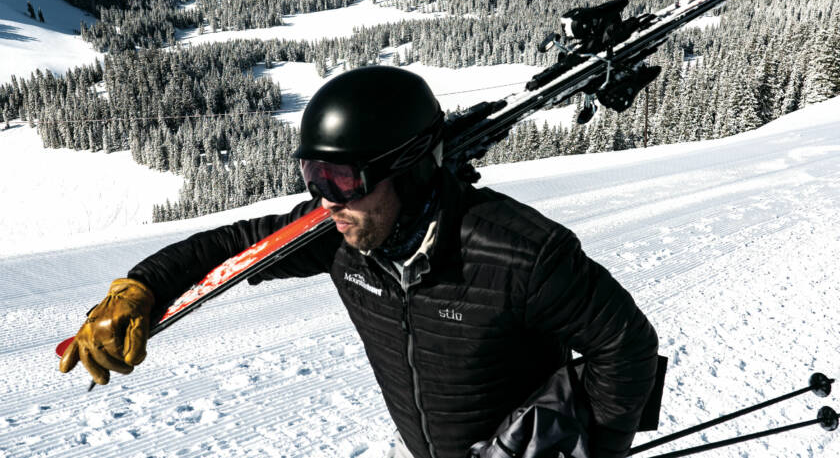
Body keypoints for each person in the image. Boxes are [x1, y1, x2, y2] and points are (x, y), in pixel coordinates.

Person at [59, 66, 660, 458]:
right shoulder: (340, 235)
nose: (325, 201)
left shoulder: (521, 251)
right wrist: (137, 290)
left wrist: (593, 451)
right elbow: (229, 246)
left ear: (410, 167)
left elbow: (626, 345)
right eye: (313, 176)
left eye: (342, 178)